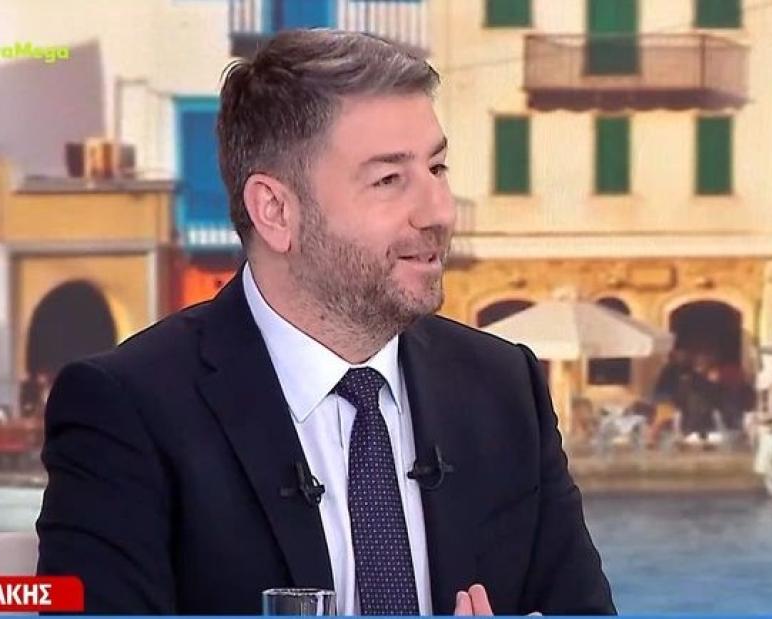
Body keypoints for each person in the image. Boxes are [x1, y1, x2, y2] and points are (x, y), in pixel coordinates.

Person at [36, 29, 614, 616]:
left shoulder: (504, 387)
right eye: (389, 180)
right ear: (275, 211)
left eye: (437, 168)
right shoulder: (127, 411)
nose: (439, 211)